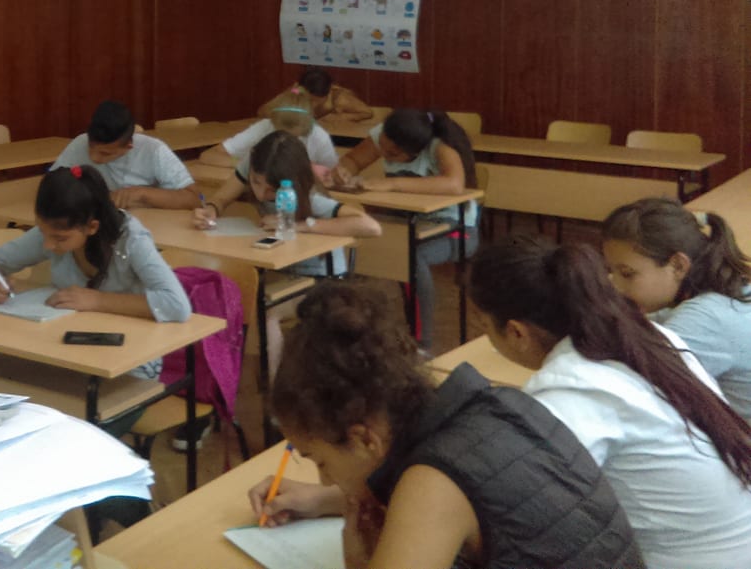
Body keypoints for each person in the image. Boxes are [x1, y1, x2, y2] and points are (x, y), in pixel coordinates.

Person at [248, 280, 642, 569]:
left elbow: (443, 499)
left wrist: (357, 560)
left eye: (321, 461)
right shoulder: (496, 404)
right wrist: (323, 501)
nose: (324, 478)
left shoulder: (432, 483)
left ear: (365, 439)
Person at [469, 236, 751, 569]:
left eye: (485, 327)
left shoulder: (568, 393)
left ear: (517, 332)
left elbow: (524, 514)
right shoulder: (646, 336)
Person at [194, 131, 379, 378]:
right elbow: (222, 197)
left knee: (265, 312)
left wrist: (302, 225)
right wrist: (211, 209)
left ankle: (276, 390)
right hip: (279, 269)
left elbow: (370, 227)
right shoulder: (255, 164)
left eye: (271, 190)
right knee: (225, 295)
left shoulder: (311, 197)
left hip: (320, 278)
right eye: (256, 182)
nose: (261, 194)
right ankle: (233, 378)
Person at [0, 166, 192, 367]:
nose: (47, 245)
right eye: (42, 232)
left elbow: (177, 305)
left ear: (92, 227)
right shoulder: (53, 229)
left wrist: (97, 300)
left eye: (60, 238)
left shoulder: (132, 240)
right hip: (64, 348)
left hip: (129, 356)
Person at [331, 108, 479, 349]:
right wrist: (344, 170)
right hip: (409, 221)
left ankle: (422, 343)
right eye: (382, 146)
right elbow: (354, 160)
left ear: (416, 151)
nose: (384, 154)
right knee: (364, 244)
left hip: (456, 227)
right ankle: (348, 327)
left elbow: (454, 184)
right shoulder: (386, 135)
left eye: (393, 154)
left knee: (411, 256)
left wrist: (392, 184)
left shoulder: (439, 146)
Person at [602, 197, 751, 422]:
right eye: (611, 271)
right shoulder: (729, 289)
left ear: (678, 266)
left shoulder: (704, 319)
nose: (616, 285)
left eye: (627, 273)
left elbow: (630, 389)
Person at [51, 100, 199, 211]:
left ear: (128, 146)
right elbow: (52, 186)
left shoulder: (153, 150)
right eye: (90, 147)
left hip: (150, 225)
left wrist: (142, 193)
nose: (94, 158)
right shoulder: (80, 142)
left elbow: (194, 198)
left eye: (105, 153)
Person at [200, 86, 338, 178]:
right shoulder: (264, 127)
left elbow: (334, 174)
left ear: (307, 126)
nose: (286, 140)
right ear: (273, 122)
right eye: (280, 133)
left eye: (294, 136)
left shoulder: (319, 137)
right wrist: (249, 164)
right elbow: (208, 156)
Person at [283, 66, 372, 121]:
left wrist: (339, 118)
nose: (312, 105)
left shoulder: (339, 99)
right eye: (309, 100)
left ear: (327, 95)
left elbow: (367, 112)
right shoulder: (297, 90)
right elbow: (277, 107)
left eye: (315, 101)